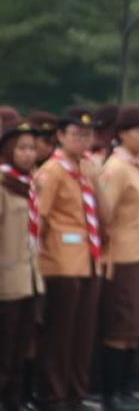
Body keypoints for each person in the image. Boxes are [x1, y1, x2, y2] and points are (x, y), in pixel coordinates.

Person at [96, 105, 139, 411]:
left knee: (136, 328)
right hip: (123, 255)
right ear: (121, 133)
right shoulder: (116, 168)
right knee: (120, 327)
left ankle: (125, 389)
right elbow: (104, 213)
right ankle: (111, 394)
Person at [36, 107, 103, 411]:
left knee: (82, 334)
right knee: (60, 335)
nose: (83, 141)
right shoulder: (52, 171)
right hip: (60, 262)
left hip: (88, 260)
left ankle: (76, 394)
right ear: (60, 136)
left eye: (87, 135)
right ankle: (54, 395)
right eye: (76, 135)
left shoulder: (86, 169)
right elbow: (40, 218)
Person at [0, 122, 42, 411]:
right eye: (22, 148)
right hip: (6, 279)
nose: (28, 154)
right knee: (4, 347)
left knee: (21, 347)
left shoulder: (32, 185)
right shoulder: (3, 186)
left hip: (30, 277)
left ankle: (14, 399)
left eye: (31, 148)